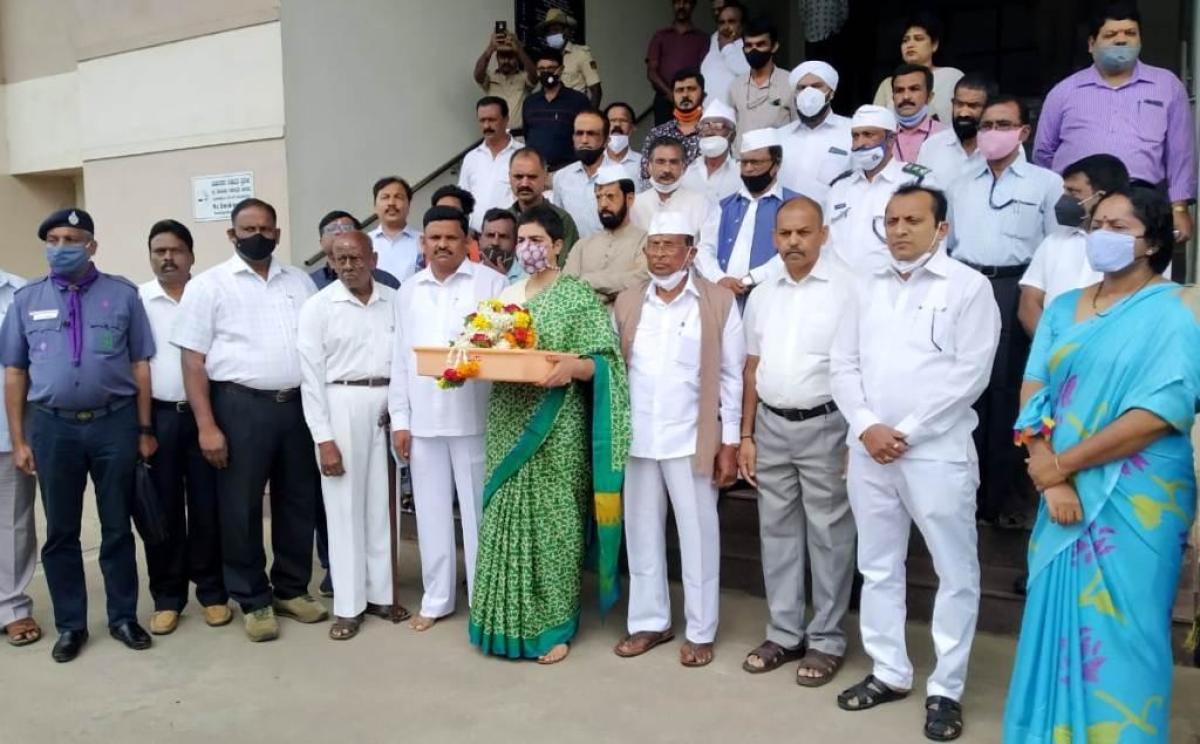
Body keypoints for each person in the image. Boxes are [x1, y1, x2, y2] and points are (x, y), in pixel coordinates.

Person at [1004, 186, 1199, 743]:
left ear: (1152, 241)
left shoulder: (1181, 307)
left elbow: (1161, 410)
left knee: (1128, 630)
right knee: (1055, 619)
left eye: (1119, 226)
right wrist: (1047, 470)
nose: (1101, 235)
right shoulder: (1064, 306)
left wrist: (1061, 465)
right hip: (1057, 486)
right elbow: (1033, 389)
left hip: (1140, 494)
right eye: (1097, 223)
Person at [830, 186, 1000, 742]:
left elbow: (970, 376)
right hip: (869, 449)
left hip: (936, 452)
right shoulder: (863, 284)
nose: (899, 230)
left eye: (912, 220)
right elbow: (843, 364)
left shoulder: (969, 288)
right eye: (891, 220)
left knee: (955, 573)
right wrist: (866, 426)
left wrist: (904, 432)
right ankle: (889, 670)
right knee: (878, 565)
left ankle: (946, 688)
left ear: (942, 229)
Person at [469, 205, 630, 664]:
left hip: (557, 425)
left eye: (537, 241)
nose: (527, 249)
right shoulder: (508, 295)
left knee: (555, 524)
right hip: (507, 417)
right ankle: (501, 621)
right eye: (522, 240)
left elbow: (605, 361)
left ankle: (555, 627)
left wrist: (573, 368)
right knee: (505, 513)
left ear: (559, 245)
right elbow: (488, 348)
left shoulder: (577, 296)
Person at [0, 208, 156, 663]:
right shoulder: (26, 299)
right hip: (52, 427)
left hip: (115, 422)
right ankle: (71, 625)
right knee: (61, 531)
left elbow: (140, 365)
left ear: (92, 245)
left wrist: (145, 429)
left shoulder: (123, 294)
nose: (61, 247)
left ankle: (123, 617)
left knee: (116, 527)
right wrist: (20, 438)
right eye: (53, 238)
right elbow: (14, 371)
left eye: (72, 238)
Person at [174, 197, 328, 643]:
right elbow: (192, 360)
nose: (257, 235)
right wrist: (207, 424)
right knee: (240, 506)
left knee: (297, 500)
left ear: (277, 234)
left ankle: (291, 588)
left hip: (295, 406)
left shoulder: (299, 281)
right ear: (232, 235)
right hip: (239, 407)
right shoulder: (210, 286)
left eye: (265, 228)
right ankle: (253, 598)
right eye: (248, 229)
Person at [612, 211, 743, 668]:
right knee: (642, 533)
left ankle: (701, 629)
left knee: (699, 536)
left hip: (692, 439)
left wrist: (728, 442)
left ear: (691, 251)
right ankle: (650, 622)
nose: (661, 254)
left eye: (671, 245)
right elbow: (614, 373)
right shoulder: (629, 303)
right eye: (654, 245)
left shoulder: (717, 303)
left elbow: (731, 378)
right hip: (638, 440)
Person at [738, 196, 855, 686]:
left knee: (829, 534)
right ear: (774, 239)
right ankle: (785, 632)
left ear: (823, 234)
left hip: (827, 425)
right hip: (771, 425)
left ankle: (826, 638)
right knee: (777, 531)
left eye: (803, 233)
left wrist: (854, 437)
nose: (793, 242)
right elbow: (751, 367)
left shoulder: (849, 290)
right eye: (784, 234)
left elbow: (860, 367)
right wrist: (745, 434)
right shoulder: (765, 293)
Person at [946, 95, 1063, 528]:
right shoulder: (960, 182)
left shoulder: (1046, 184)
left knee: (1010, 391)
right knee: (968, 387)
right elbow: (949, 243)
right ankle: (968, 493)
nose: (992, 132)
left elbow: (1057, 248)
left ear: (1023, 131)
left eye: (1002, 124)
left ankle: (1006, 496)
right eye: (986, 124)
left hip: (1019, 288)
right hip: (969, 285)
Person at [390, 206, 506, 633]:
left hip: (475, 419)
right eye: (433, 238)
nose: (441, 245)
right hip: (423, 423)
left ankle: (483, 599)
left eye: (451, 238)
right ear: (423, 243)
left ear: (467, 241)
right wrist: (400, 419)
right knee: (431, 515)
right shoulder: (408, 291)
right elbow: (401, 359)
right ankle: (436, 599)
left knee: (478, 516)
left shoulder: (490, 284)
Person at [298, 230, 402, 641]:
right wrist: (323, 438)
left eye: (355, 258)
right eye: (339, 259)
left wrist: (401, 412)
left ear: (373, 259)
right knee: (343, 509)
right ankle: (348, 605)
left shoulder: (395, 301)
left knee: (383, 505)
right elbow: (310, 377)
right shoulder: (318, 307)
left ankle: (380, 594)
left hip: (387, 403)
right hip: (340, 403)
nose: (348, 266)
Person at [1034, 2, 1196, 244]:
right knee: (1074, 275)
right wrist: (1069, 190)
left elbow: (1180, 154)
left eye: (1130, 33)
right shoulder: (1064, 91)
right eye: (1111, 35)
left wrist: (1180, 209)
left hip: (1142, 203)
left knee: (1141, 277)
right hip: (1077, 208)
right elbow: (1043, 153)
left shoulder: (1167, 86)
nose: (1122, 40)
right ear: (1091, 44)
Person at [138, 220, 230, 636]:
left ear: (191, 255)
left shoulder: (210, 292)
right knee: (165, 509)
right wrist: (142, 428)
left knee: (209, 507)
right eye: (159, 251)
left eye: (175, 250)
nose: (167, 258)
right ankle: (168, 597)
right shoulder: (139, 300)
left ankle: (212, 592)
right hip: (159, 418)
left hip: (207, 415)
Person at [1018, 154, 1130, 336]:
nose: (1064, 198)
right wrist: (1051, 347)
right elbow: (1029, 303)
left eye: (1073, 192)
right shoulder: (1054, 242)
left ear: (1100, 197)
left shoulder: (1128, 246)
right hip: (1050, 353)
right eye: (1065, 191)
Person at [824, 105, 937, 273]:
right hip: (842, 291)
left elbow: (933, 244)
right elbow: (826, 244)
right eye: (855, 136)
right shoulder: (840, 186)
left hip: (893, 288)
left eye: (869, 135)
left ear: (891, 139)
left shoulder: (916, 182)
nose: (860, 143)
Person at [698, 128, 798, 290]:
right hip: (724, 296)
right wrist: (720, 278)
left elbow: (797, 251)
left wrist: (753, 278)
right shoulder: (724, 206)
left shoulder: (795, 205)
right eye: (744, 162)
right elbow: (705, 248)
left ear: (776, 164)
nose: (749, 169)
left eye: (756, 162)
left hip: (774, 295)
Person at [0, 266, 38, 648]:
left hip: (9, 430)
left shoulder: (21, 293)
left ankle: (12, 607)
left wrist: (22, 436)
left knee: (13, 522)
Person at [563, 165, 649, 303]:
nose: (603, 204)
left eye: (610, 196)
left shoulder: (644, 241)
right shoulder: (583, 245)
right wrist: (608, 294)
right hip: (583, 320)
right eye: (598, 197)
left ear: (630, 199)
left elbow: (641, 280)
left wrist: (589, 280)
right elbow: (566, 287)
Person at [632, 137, 719, 261]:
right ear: (649, 166)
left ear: (683, 167)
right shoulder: (635, 204)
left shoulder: (701, 203)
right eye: (660, 162)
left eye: (673, 162)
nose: (667, 169)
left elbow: (707, 248)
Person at [872, 12, 964, 126]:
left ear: (934, 45)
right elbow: (874, 125)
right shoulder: (887, 84)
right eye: (905, 40)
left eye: (918, 39)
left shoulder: (952, 77)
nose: (910, 45)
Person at [777, 61, 851, 200]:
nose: (808, 92)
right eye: (802, 87)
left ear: (831, 92)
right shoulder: (780, 137)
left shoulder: (852, 132)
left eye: (817, 86)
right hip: (785, 217)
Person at [917, 73, 995, 185]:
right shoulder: (931, 146)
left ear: (990, 108)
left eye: (973, 106)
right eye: (959, 104)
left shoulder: (1004, 148)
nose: (963, 113)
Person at [459, 96, 522, 232]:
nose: (487, 126)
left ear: (506, 120)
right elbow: (462, 199)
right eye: (482, 120)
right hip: (475, 238)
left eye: (492, 120)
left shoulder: (522, 155)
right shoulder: (471, 158)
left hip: (511, 236)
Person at [522, 48, 591, 172]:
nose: (546, 72)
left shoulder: (578, 101)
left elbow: (586, 137)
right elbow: (528, 136)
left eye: (551, 68)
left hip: (569, 170)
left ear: (561, 69)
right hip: (536, 172)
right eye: (541, 69)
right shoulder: (529, 102)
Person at [509, 147, 580, 264]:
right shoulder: (504, 221)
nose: (524, 183)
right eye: (518, 177)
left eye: (532, 177)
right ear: (509, 177)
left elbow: (567, 268)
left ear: (545, 177)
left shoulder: (562, 220)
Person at [646, 0, 709, 124]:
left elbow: (705, 70)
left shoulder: (702, 38)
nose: (681, 6)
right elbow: (651, 72)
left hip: (692, 99)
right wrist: (671, 94)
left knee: (692, 137)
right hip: (664, 99)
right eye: (677, 2)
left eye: (686, 2)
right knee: (663, 140)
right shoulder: (661, 36)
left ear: (693, 5)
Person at [729, 17, 793, 135]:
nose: (754, 50)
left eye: (760, 44)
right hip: (742, 153)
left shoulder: (791, 83)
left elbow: (799, 128)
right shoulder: (735, 86)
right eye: (749, 45)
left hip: (780, 153)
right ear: (743, 50)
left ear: (774, 47)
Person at [641, 68, 707, 182]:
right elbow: (645, 174)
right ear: (672, 95)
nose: (685, 94)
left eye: (691, 89)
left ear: (703, 93)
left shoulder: (714, 131)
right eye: (679, 90)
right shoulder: (657, 133)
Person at [552, 109, 610, 238]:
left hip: (611, 253)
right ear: (573, 138)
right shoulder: (561, 177)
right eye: (579, 133)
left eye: (591, 134)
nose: (584, 140)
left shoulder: (621, 175)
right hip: (572, 254)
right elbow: (559, 222)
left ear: (606, 140)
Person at [310, 211, 400, 291]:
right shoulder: (310, 282)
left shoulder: (386, 281)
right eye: (331, 230)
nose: (339, 233)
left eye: (346, 228)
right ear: (321, 242)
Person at [536, 8, 602, 106]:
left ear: (566, 32)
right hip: (551, 110)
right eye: (549, 32)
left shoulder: (581, 54)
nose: (552, 35)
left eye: (556, 30)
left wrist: (590, 117)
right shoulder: (544, 58)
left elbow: (596, 90)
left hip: (576, 110)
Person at [473, 28, 535, 131]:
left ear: (517, 58)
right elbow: (477, 74)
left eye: (511, 57)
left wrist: (519, 49)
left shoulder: (524, 77)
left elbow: (534, 76)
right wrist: (490, 48)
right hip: (495, 134)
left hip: (518, 136)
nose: (506, 61)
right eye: (502, 57)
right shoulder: (491, 77)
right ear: (497, 58)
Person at [680, 98, 741, 203]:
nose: (710, 131)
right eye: (705, 125)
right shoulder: (687, 171)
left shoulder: (741, 173)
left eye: (718, 126)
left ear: (732, 135)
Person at [889, 64, 946, 164]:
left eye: (914, 89)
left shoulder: (946, 135)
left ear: (929, 97)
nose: (906, 97)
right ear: (893, 97)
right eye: (899, 90)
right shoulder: (881, 136)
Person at [369, 176, 422, 282]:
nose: (391, 203)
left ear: (409, 205)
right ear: (375, 205)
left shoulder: (423, 241)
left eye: (398, 197)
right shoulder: (365, 242)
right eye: (385, 197)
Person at [699, 0, 748, 107]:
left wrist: (727, 48)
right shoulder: (714, 40)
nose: (726, 27)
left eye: (731, 21)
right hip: (708, 115)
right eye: (722, 22)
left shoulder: (750, 48)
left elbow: (747, 73)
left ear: (742, 25)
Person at [431, 185, 482, 263]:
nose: (445, 215)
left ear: (466, 216)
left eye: (452, 211)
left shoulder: (485, 244)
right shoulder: (424, 247)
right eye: (440, 210)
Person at [479, 207, 525, 283]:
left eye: (503, 236)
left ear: (515, 242)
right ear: (480, 239)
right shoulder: (467, 277)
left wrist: (502, 281)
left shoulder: (529, 280)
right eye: (490, 235)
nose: (495, 243)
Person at [603, 101, 643, 183]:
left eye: (623, 120)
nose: (617, 124)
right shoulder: (592, 164)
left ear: (632, 127)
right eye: (612, 120)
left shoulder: (644, 163)